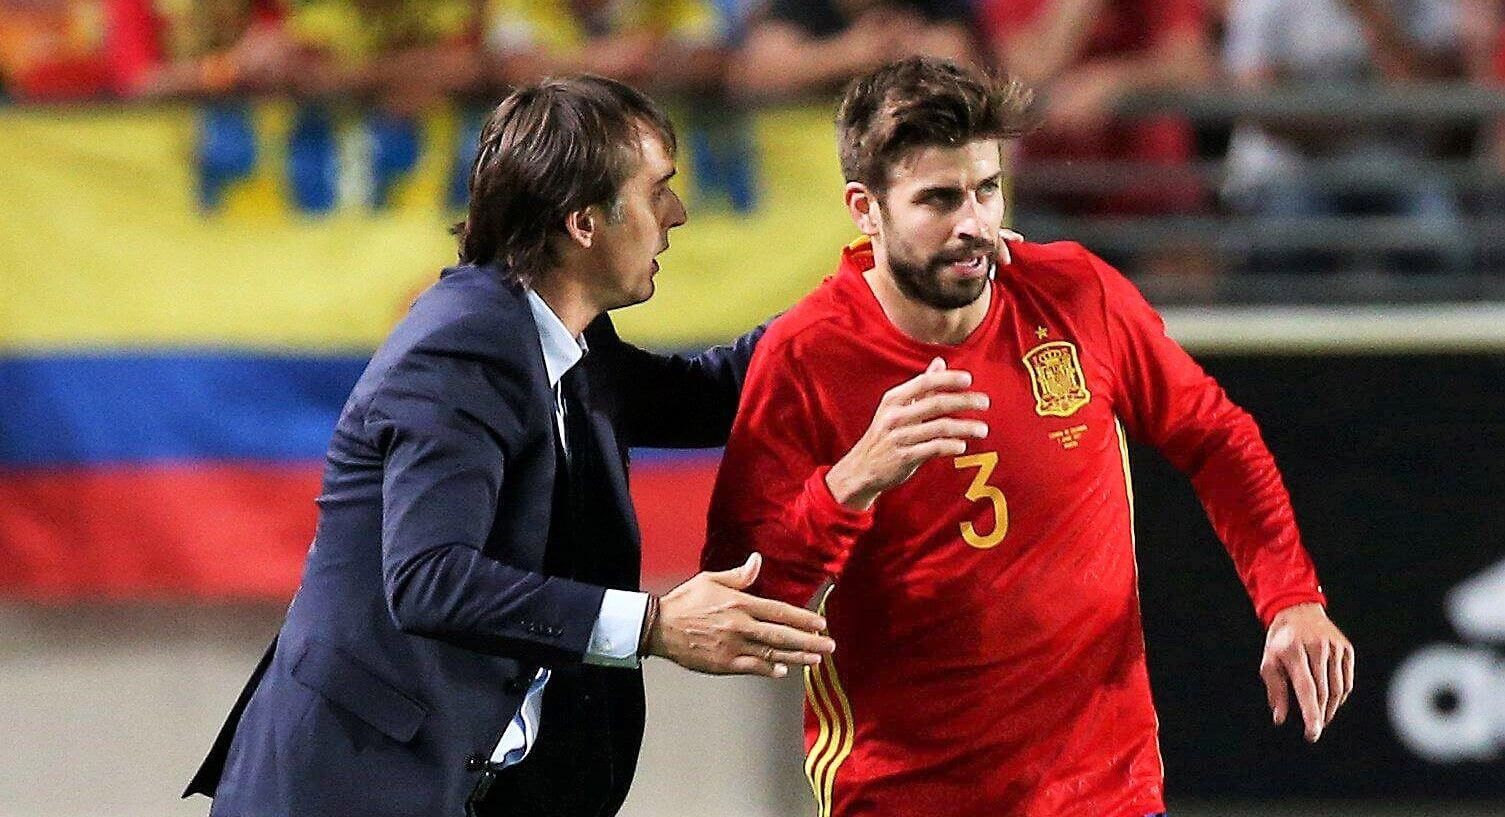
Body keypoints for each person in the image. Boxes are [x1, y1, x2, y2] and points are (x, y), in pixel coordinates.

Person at [702, 57, 1355, 817]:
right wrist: (850, 484)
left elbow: (1215, 436)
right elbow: (742, 603)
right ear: (864, 209)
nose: (972, 224)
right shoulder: (806, 354)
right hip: (903, 793)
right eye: (938, 199)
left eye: (986, 189)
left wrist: (1289, 596)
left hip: (1104, 787)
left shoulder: (1073, 293)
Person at [184, 75, 834, 817]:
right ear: (583, 222)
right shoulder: (463, 347)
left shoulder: (561, 334)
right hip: (350, 791)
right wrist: (653, 626)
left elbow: (713, 396)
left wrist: (872, 295)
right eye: (658, 191)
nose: (676, 215)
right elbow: (430, 578)